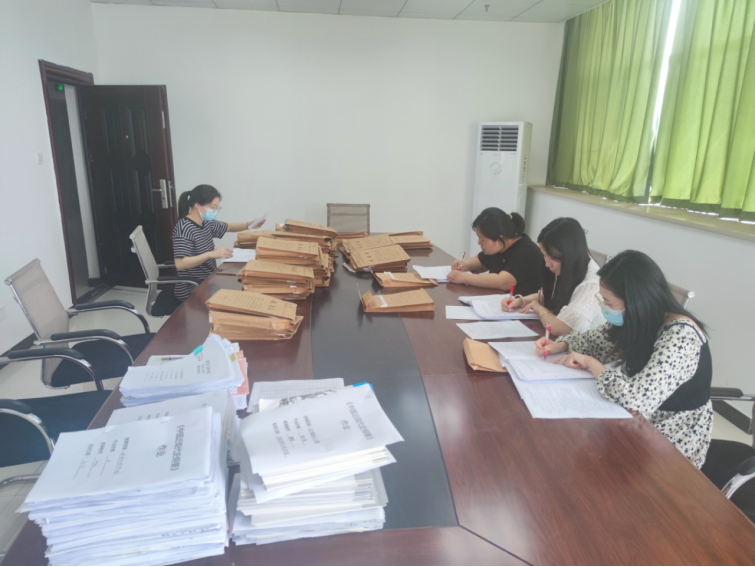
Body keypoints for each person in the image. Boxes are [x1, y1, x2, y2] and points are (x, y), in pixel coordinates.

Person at [536, 251, 712, 468]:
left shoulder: (681, 336)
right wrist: (560, 345)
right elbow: (595, 341)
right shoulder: (637, 317)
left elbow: (637, 397)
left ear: (635, 300)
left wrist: (592, 364)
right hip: (633, 417)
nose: (604, 307)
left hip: (671, 432)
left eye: (608, 302)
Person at [504, 218, 604, 336]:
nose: (547, 264)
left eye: (551, 257)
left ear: (569, 255)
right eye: (544, 255)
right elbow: (548, 296)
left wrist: (539, 308)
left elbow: (557, 327)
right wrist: (522, 301)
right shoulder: (567, 267)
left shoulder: (592, 285)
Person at [172, 184, 266, 302]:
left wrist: (249, 224)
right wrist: (210, 255)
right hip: (193, 288)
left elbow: (228, 226)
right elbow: (180, 264)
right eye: (212, 207)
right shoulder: (184, 228)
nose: (215, 211)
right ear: (197, 205)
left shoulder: (205, 222)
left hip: (208, 280)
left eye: (217, 207)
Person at [448, 207, 544, 294]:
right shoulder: (500, 246)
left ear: (500, 239)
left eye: (482, 240)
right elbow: (480, 261)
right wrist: (464, 265)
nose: (479, 243)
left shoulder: (526, 252)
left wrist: (464, 278)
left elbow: (502, 282)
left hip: (520, 305)